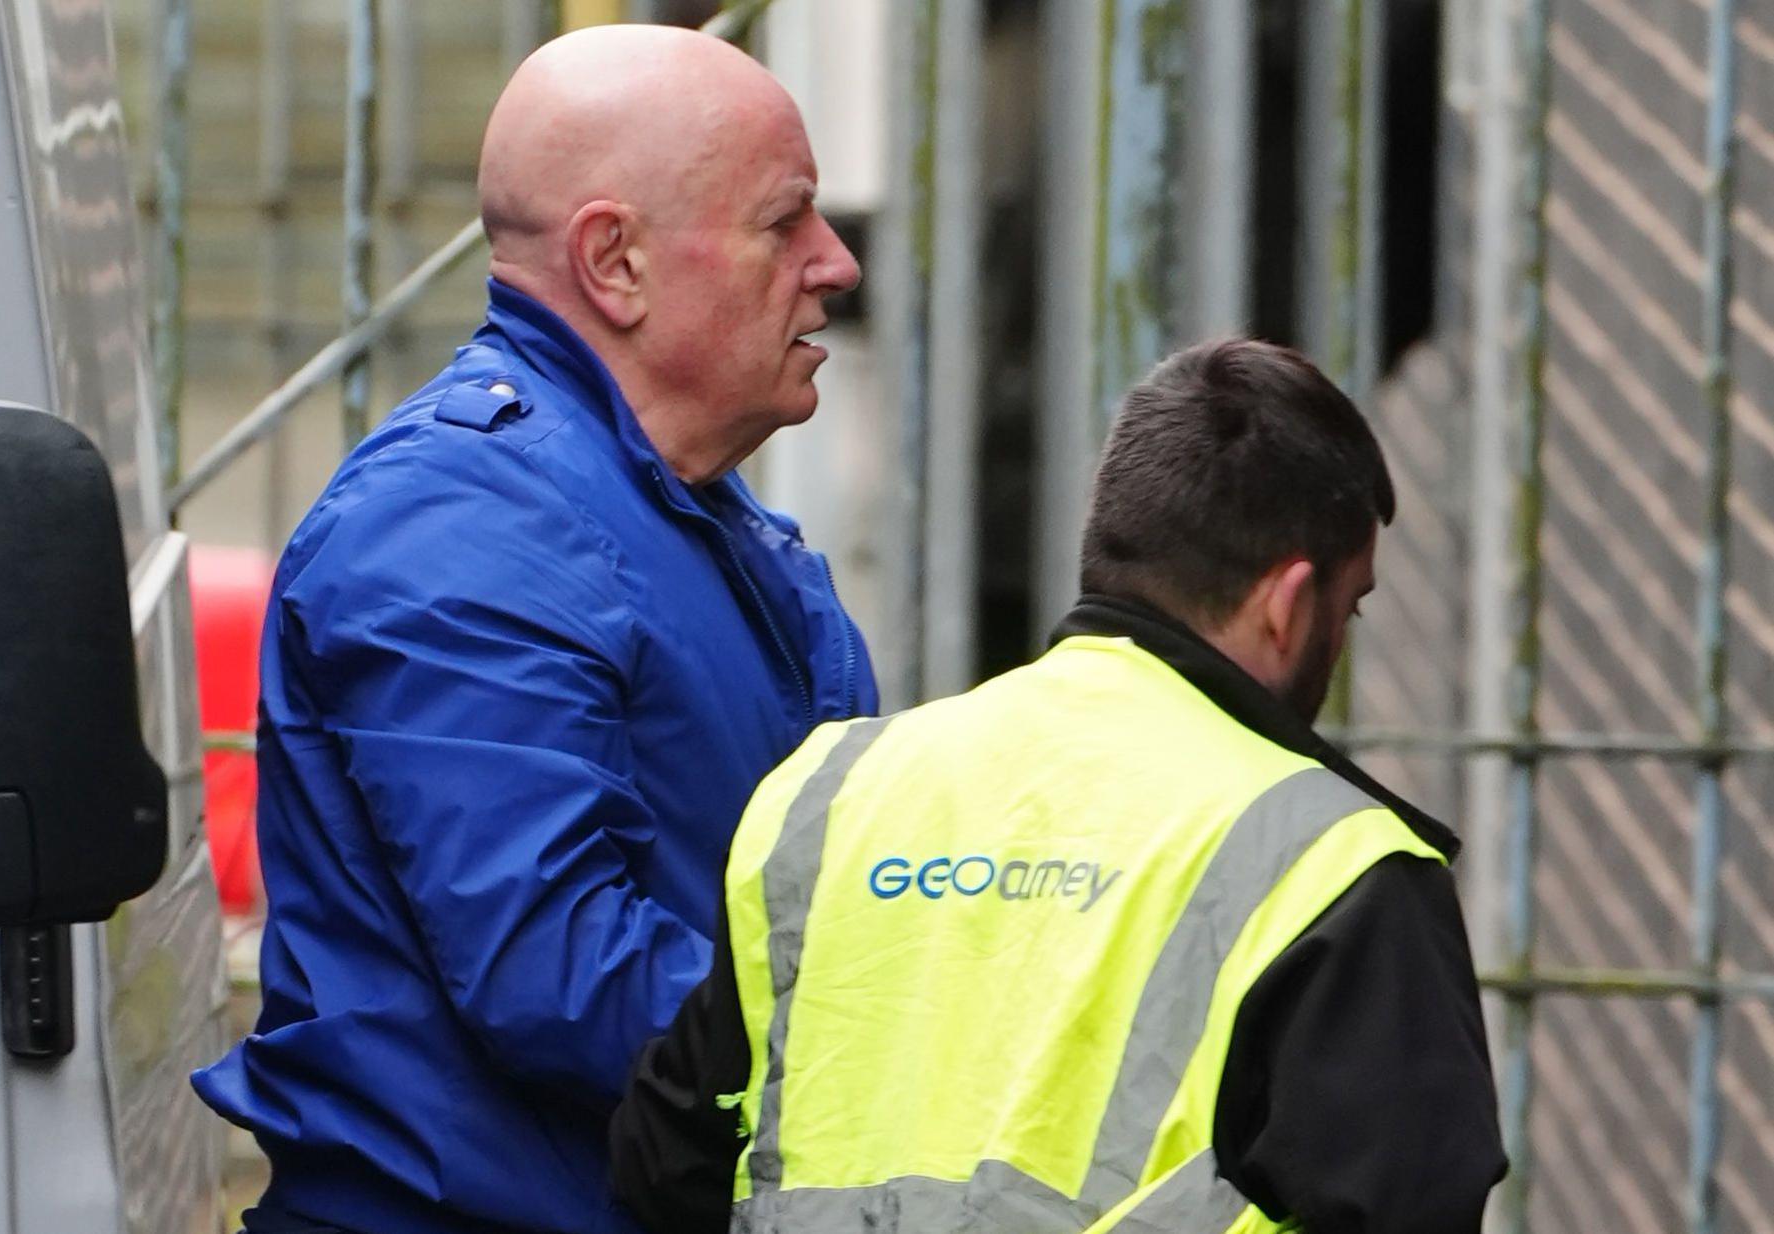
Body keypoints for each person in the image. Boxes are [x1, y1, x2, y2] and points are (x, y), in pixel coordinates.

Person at [191, 23, 876, 1234]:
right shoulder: (459, 530)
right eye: (786, 223)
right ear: (615, 261)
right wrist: (894, 1050)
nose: (835, 263)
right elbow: (557, 970)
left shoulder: (680, 514)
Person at [609, 339, 1507, 1234]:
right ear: (1287, 600)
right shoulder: (1334, 867)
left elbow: (666, 1163)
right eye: (1347, 607)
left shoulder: (833, 795)